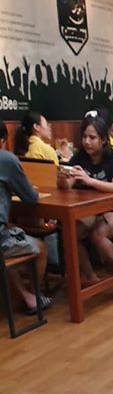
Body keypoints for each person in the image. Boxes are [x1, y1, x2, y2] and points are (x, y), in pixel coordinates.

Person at [57, 114, 113, 297]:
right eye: (84, 137)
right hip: (91, 211)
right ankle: (90, 276)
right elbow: (67, 185)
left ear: (103, 139)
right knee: (70, 233)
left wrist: (89, 180)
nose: (87, 142)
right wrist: (63, 178)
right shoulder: (79, 157)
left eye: (92, 137)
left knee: (98, 234)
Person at [0, 120, 52, 314]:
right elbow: (30, 197)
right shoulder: (6, 159)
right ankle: (32, 297)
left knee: (11, 237)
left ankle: (24, 296)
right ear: (3, 140)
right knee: (41, 248)